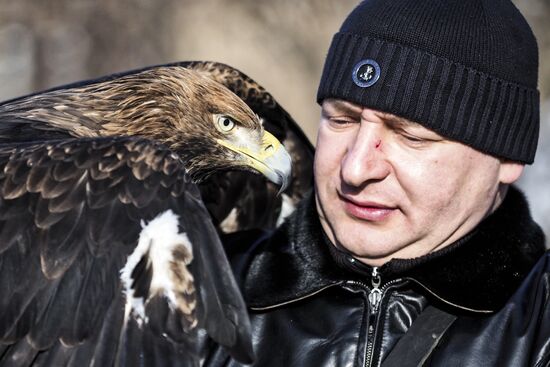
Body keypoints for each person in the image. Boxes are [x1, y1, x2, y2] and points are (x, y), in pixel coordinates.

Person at [205, 0, 549, 365]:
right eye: (342, 120)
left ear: (508, 158)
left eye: (410, 136)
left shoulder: (539, 328)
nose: (355, 169)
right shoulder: (199, 289)